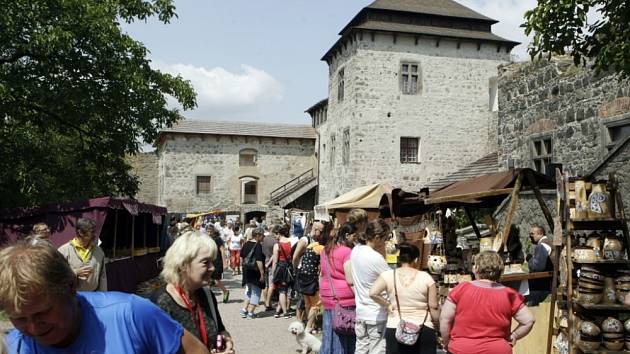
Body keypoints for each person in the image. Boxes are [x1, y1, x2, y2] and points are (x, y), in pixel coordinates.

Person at [1, 243, 210, 354]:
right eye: (19, 318)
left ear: (71, 287)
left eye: (43, 313)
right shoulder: (13, 348)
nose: (33, 328)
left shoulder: (130, 315)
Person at [439, 251, 535, 354]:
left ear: (476, 269)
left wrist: (446, 342)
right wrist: (514, 335)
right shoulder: (509, 294)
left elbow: (445, 319)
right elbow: (529, 320)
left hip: (462, 349)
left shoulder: (461, 289)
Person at [154, 231, 235, 353]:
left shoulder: (206, 295)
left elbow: (219, 329)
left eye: (212, 261)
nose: (212, 267)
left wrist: (226, 338)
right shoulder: (159, 305)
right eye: (205, 262)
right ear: (183, 265)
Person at [370, 243, 439, 354]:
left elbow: (373, 293)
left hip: (396, 326)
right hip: (423, 327)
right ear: (416, 259)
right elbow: (433, 306)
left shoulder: (388, 275)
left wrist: (387, 304)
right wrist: (437, 323)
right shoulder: (426, 277)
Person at [351, 218, 392, 354]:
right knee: (377, 350)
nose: (385, 242)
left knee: (361, 349)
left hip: (361, 311)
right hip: (376, 313)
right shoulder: (375, 258)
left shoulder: (356, 250)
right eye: (384, 238)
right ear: (376, 237)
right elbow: (391, 280)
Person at [320, 223, 357, 354]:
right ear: (346, 235)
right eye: (354, 236)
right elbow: (350, 280)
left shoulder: (325, 250)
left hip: (328, 296)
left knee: (328, 333)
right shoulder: (346, 252)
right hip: (344, 299)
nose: (355, 239)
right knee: (343, 336)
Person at [57, 218, 107, 291]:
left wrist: (103, 296)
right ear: (80, 232)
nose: (94, 234)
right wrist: (74, 272)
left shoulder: (98, 251)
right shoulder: (63, 251)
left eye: (94, 231)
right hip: (70, 297)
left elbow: (102, 277)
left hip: (92, 297)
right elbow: (56, 275)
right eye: (91, 231)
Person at [293, 221, 326, 333]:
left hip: (307, 274)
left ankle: (309, 324)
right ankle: (303, 323)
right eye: (321, 231)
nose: (321, 234)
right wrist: (296, 269)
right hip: (304, 274)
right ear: (315, 229)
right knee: (306, 301)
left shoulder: (315, 242)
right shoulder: (304, 240)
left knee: (307, 302)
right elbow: (295, 257)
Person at [239, 228, 266, 319]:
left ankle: (244, 310)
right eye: (262, 235)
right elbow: (259, 260)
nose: (263, 237)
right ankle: (251, 313)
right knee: (256, 291)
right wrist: (262, 273)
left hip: (247, 270)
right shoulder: (257, 245)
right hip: (255, 272)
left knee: (249, 290)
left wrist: (242, 268)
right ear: (258, 235)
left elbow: (241, 257)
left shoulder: (246, 244)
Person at [525, 225, 553, 306]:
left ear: (540, 233)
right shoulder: (546, 243)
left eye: (532, 234)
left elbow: (537, 267)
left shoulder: (542, 246)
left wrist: (529, 259)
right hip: (545, 283)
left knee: (526, 302)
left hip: (542, 286)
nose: (530, 236)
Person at [271, 224, 294, 318]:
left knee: (282, 291)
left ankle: (285, 312)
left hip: (280, 268)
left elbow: (275, 261)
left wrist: (273, 273)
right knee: (285, 289)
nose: (274, 237)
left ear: (278, 234)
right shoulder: (291, 242)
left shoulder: (277, 245)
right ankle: (277, 311)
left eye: (275, 235)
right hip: (289, 267)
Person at [208, 225, 230, 303]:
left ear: (214, 231)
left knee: (216, 280)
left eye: (211, 231)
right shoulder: (208, 239)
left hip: (218, 261)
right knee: (208, 279)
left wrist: (225, 263)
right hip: (210, 261)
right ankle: (208, 298)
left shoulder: (218, 239)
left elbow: (222, 250)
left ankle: (225, 291)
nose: (209, 232)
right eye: (208, 231)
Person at [262, 224, 278, 310]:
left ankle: (266, 302)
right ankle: (268, 303)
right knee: (271, 284)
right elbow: (274, 254)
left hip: (264, 262)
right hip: (271, 264)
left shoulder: (264, 239)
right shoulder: (275, 241)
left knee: (265, 285)